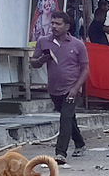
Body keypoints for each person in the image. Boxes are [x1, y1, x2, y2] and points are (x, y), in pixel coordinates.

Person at [31, 9, 88, 164]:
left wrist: (76, 88)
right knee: (69, 118)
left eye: (58, 24)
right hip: (54, 89)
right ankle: (80, 143)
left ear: (67, 26)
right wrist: (42, 59)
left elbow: (85, 69)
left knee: (65, 118)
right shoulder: (43, 41)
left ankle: (60, 153)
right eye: (52, 23)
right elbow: (34, 63)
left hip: (72, 88)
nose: (54, 26)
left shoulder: (78, 45)